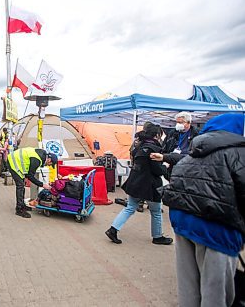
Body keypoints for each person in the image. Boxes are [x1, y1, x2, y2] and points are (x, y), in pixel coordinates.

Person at [155, 113, 245, 307]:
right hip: (217, 227)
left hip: (182, 223)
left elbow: (174, 183)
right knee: (215, 291)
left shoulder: (193, 154)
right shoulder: (239, 154)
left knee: (188, 286)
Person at [105, 123, 173, 245]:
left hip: (135, 182)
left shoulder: (138, 146)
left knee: (130, 207)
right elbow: (157, 170)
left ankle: (113, 229)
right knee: (156, 211)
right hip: (150, 185)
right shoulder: (153, 150)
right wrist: (165, 166)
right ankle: (157, 236)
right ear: (156, 135)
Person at [7, 147, 57, 218]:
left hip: (16, 161)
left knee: (22, 184)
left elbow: (28, 173)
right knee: (20, 186)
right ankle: (19, 209)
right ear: (49, 159)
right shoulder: (37, 160)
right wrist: (42, 185)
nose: (49, 165)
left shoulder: (41, 155)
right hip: (13, 161)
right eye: (50, 164)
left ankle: (22, 205)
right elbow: (30, 176)